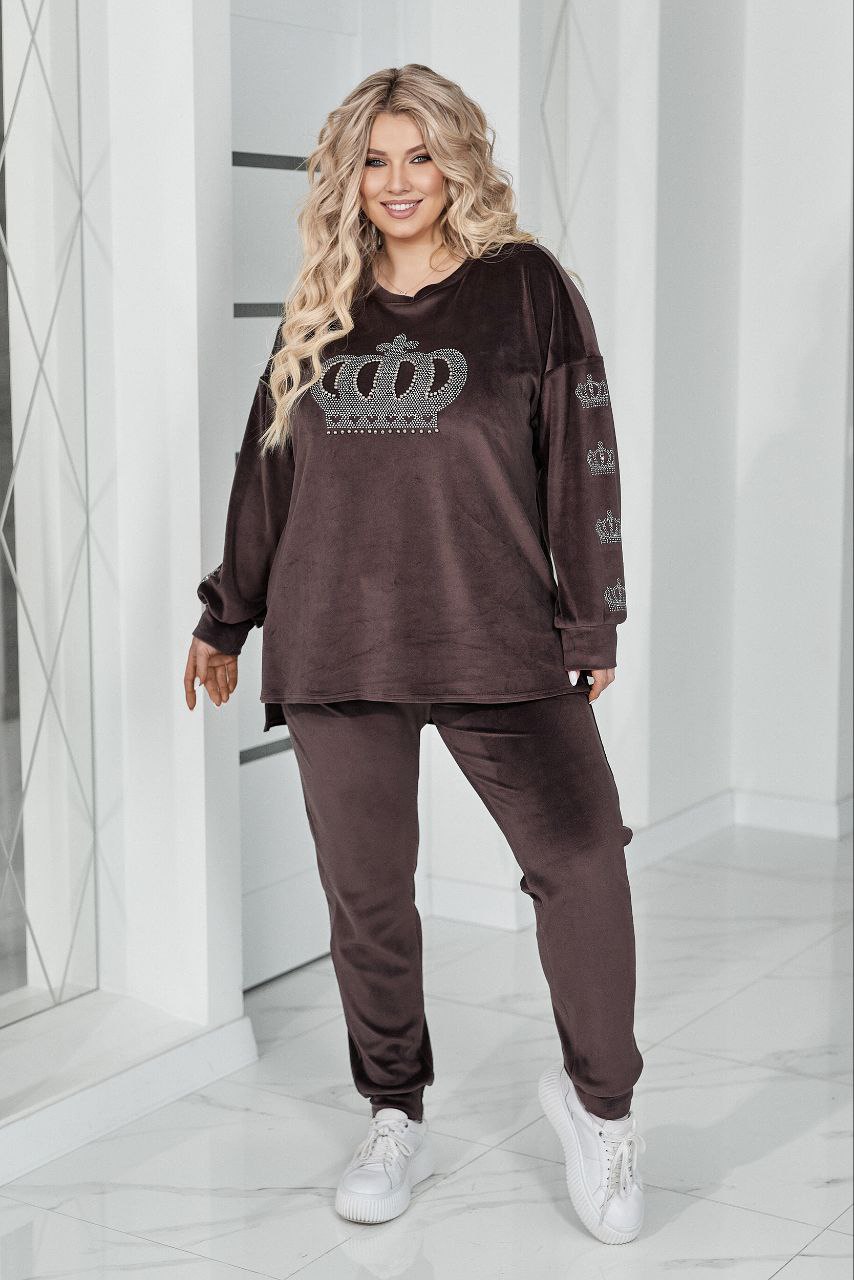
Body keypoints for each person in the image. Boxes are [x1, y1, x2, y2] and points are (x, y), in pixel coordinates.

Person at [183, 63, 645, 1246]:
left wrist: (591, 617)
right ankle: (394, 1110)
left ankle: (599, 1108)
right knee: (368, 895)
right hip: (337, 640)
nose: (398, 182)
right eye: (375, 160)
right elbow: (264, 475)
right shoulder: (318, 306)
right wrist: (226, 614)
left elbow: (582, 456)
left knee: (583, 861)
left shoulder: (526, 289)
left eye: (420, 155)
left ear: (456, 162)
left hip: (499, 633)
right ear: (349, 176)